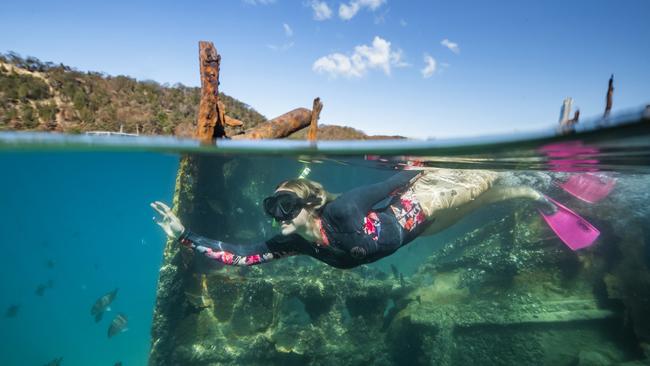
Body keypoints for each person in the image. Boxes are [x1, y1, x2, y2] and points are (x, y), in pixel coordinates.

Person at [151, 169, 597, 270]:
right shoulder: (298, 244)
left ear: (311, 204)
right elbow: (242, 255)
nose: (278, 216)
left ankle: (539, 177)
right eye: (274, 208)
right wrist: (185, 235)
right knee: (483, 204)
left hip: (423, 202)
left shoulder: (344, 209)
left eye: (286, 205)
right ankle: (530, 192)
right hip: (415, 233)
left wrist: (422, 168)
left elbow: (397, 181)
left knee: (479, 186)